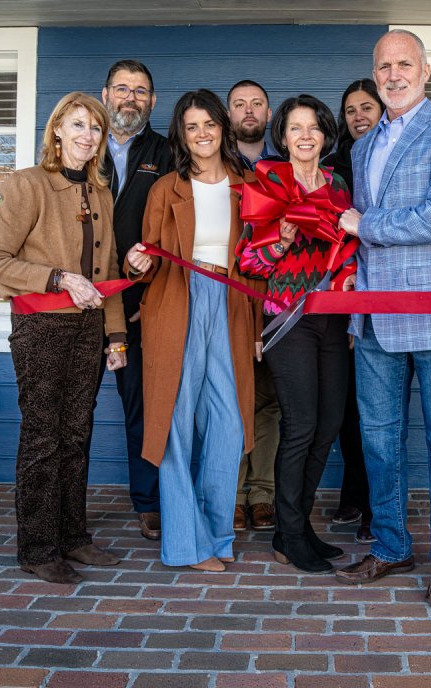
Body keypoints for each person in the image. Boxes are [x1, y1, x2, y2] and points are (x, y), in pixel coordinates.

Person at [335, 29, 431, 608]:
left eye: (404, 64)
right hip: (374, 315)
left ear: (426, 71)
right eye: (384, 66)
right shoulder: (362, 145)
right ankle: (392, 544)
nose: (393, 74)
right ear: (374, 74)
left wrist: (365, 227)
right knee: (379, 439)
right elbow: (357, 228)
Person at [0, 92, 126, 585]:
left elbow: (107, 276)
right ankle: (38, 548)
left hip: (89, 329)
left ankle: (74, 537)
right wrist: (60, 278)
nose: (88, 136)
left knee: (77, 433)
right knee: (44, 436)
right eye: (78, 125)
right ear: (58, 130)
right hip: (40, 326)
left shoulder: (102, 192)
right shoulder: (28, 185)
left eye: (96, 128)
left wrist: (116, 337)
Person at [125, 89, 262, 572]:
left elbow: (261, 261)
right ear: (181, 135)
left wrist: (261, 324)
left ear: (222, 127)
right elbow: (148, 255)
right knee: (175, 425)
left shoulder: (249, 182)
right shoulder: (166, 188)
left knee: (227, 425)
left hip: (230, 304)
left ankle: (216, 534)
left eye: (209, 124)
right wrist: (135, 261)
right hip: (176, 303)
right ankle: (185, 542)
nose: (202, 134)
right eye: (191, 126)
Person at [236, 94, 352, 574]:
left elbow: (350, 253)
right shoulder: (267, 179)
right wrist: (280, 240)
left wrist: (352, 305)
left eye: (314, 128)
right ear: (281, 136)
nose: (306, 136)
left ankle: (300, 526)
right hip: (289, 318)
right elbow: (249, 262)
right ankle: (286, 536)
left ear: (325, 136)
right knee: (301, 426)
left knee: (327, 428)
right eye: (296, 128)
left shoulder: (338, 183)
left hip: (336, 317)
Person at [88, 59, 172, 542]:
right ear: (105, 93)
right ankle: (64, 506)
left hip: (140, 305)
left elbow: (173, 232)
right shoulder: (82, 147)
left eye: (141, 91)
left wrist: (154, 287)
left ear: (153, 101)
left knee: (142, 406)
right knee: (74, 408)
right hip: (80, 302)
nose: (131, 98)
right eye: (122, 88)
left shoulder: (164, 152)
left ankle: (148, 501)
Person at [322, 78, 383, 544]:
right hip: (342, 297)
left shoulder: (389, 163)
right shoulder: (334, 169)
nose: (359, 116)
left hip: (386, 294)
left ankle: (373, 506)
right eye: (350, 110)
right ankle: (353, 490)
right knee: (347, 407)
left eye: (367, 107)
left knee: (378, 410)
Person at [227, 78, 280, 533]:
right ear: (229, 115)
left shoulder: (282, 168)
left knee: (268, 402)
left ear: (268, 112)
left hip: (275, 301)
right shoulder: (213, 167)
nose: (249, 111)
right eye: (239, 104)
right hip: (226, 299)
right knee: (231, 398)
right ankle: (233, 493)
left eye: (257, 104)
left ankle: (262, 494)